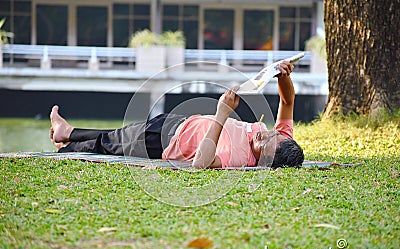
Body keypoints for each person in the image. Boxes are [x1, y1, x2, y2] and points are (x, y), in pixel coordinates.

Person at [49, 61, 304, 169]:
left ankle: (66, 143)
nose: (262, 136)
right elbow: (287, 99)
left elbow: (200, 164)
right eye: (269, 135)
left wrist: (222, 113)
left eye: (264, 146)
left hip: (164, 142)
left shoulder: (237, 158)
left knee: (112, 143)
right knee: (115, 136)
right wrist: (283, 75)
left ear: (265, 163)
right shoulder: (282, 136)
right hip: (178, 123)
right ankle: (67, 135)